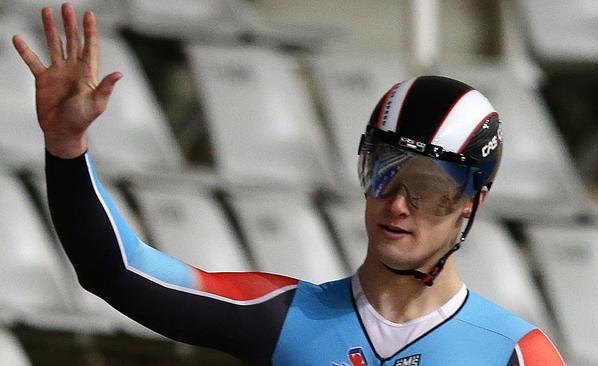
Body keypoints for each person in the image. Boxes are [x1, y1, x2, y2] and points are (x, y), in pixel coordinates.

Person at [13, 3, 565, 365]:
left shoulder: (518, 354)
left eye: (430, 188)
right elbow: (115, 270)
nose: (398, 204)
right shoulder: (284, 316)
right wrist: (67, 147)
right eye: (384, 172)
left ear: (473, 202)